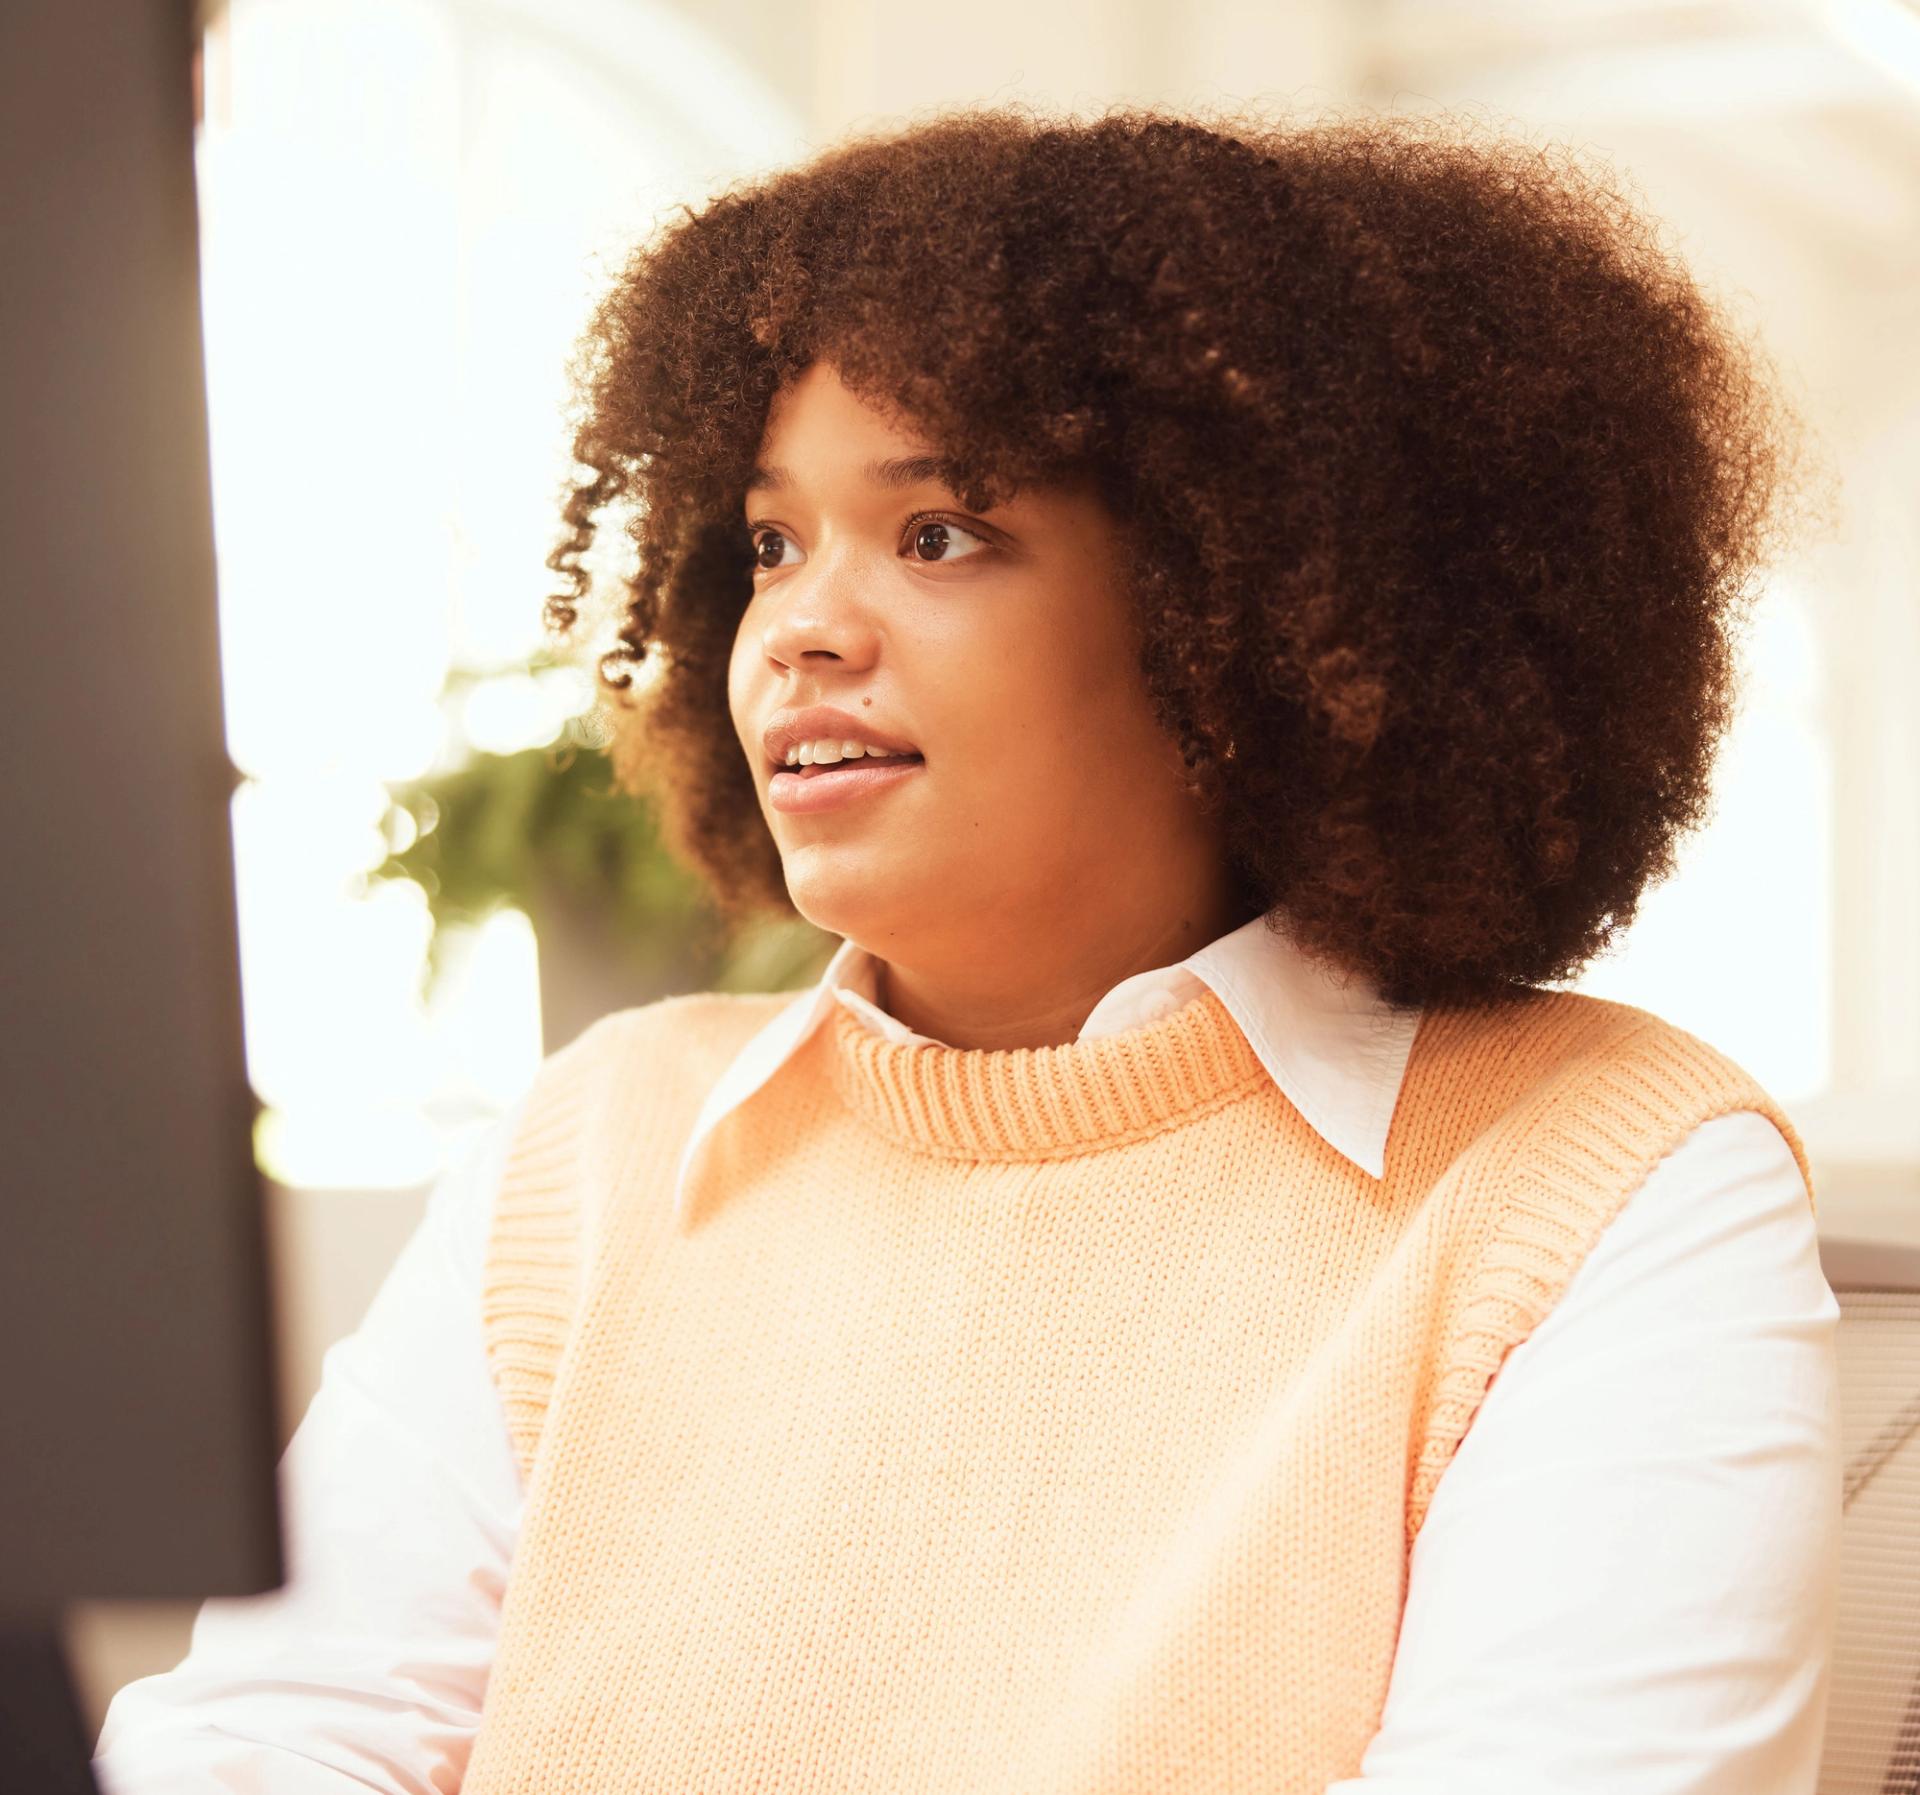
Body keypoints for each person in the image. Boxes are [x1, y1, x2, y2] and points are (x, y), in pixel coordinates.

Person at [94, 102, 1841, 1792]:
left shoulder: (1603, 1183)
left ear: (1257, 622)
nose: (798, 631)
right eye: (772, 542)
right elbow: (271, 1732)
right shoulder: (595, 1150)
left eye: (940, 534)